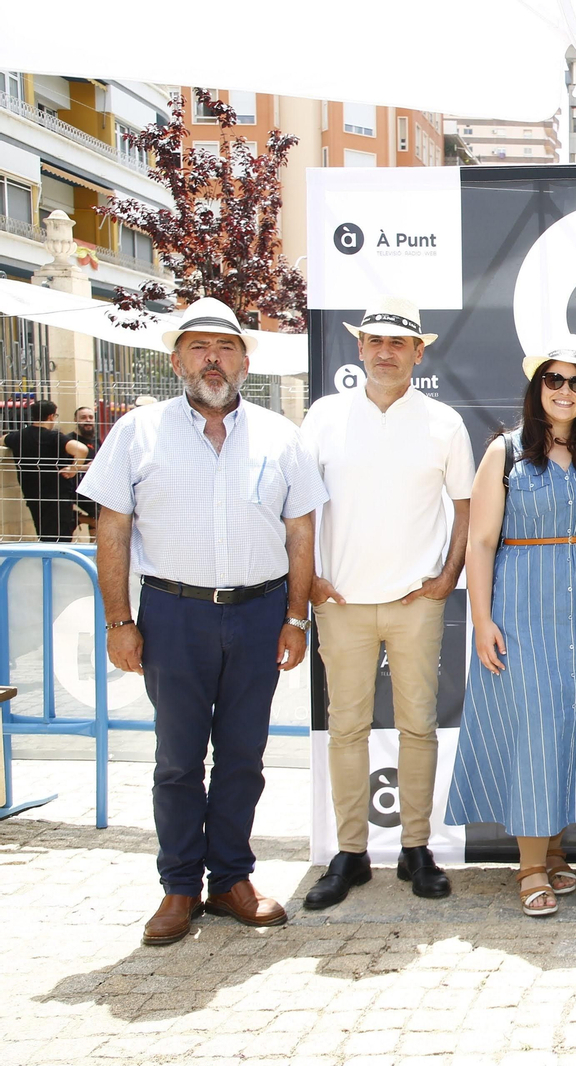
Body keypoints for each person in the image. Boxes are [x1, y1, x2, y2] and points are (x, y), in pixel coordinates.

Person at [79, 297, 324, 946]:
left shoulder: (281, 436)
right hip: (173, 615)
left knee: (243, 757)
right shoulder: (137, 431)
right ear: (176, 361)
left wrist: (295, 617)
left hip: (259, 613)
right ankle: (180, 887)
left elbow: (301, 533)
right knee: (178, 761)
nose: (212, 359)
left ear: (245, 362)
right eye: (198, 347)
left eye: (225, 348)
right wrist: (118, 621)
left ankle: (232, 880)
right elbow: (112, 528)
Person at [445, 344, 576, 917]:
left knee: (575, 722)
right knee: (535, 727)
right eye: (554, 380)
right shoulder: (505, 451)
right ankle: (530, 864)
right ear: (537, 388)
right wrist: (482, 619)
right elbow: (481, 542)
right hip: (522, 604)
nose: (565, 390)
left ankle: (554, 849)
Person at [299, 299, 473, 909]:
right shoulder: (323, 416)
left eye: (398, 343)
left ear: (418, 353)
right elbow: (299, 506)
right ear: (358, 348)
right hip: (340, 601)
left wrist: (447, 576)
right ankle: (349, 853)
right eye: (374, 340)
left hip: (414, 603)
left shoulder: (444, 422)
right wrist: (309, 580)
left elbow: (466, 508)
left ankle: (415, 849)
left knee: (417, 727)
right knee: (345, 728)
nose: (385, 351)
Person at [4, 399, 89, 541]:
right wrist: (74, 468)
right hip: (57, 496)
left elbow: (3, 440)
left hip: (33, 495)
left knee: (44, 537)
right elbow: (81, 449)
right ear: (51, 416)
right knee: (61, 540)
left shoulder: (18, 436)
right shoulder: (53, 437)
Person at [67, 406, 100, 540]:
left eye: (90, 417)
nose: (88, 420)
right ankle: (77, 518)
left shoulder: (96, 441)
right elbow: (65, 468)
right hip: (77, 488)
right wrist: (83, 467)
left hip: (96, 488)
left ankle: (95, 548)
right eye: (83, 417)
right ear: (75, 420)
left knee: (99, 520)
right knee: (103, 517)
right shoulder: (69, 441)